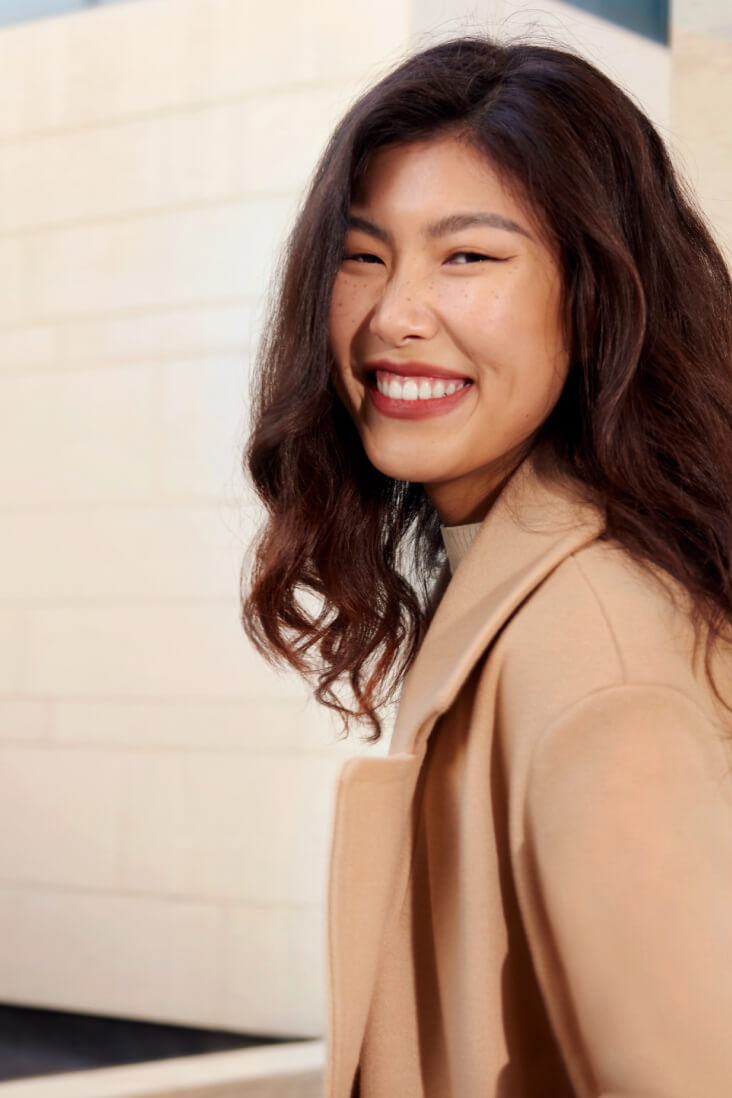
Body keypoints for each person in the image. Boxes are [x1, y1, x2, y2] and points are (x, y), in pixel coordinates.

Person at [241, 34, 732, 1098]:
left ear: (596, 299)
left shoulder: (599, 658)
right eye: (363, 256)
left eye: (468, 257)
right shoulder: (518, 596)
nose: (394, 316)